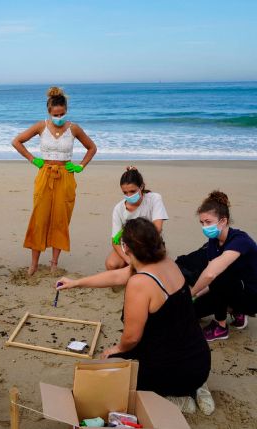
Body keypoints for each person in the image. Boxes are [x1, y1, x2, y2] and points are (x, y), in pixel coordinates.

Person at [56, 218, 212, 413]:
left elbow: (131, 338)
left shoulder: (140, 282)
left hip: (175, 370)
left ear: (126, 248)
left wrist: (116, 350)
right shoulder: (167, 262)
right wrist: (76, 282)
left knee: (111, 380)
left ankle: (178, 400)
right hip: (200, 361)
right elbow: (116, 276)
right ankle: (197, 389)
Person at [12, 87, 97, 275]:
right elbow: (17, 141)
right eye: (56, 114)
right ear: (49, 112)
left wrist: (80, 166)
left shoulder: (73, 128)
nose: (59, 117)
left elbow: (92, 148)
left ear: (66, 111)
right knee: (39, 217)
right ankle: (34, 263)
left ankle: (54, 263)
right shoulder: (41, 126)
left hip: (66, 176)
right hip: (45, 174)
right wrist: (33, 159)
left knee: (61, 219)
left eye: (63, 113)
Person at [179, 191, 257, 342]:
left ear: (223, 221)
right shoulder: (213, 242)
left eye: (208, 222)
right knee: (191, 311)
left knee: (219, 273)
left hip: (252, 295)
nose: (204, 227)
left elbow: (211, 274)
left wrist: (191, 293)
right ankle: (236, 311)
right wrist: (194, 297)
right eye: (202, 223)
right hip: (233, 289)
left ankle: (220, 327)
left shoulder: (240, 240)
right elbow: (211, 283)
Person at [106, 167, 168, 270]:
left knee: (150, 268)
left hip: (150, 242)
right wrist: (128, 259)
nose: (129, 196)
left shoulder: (154, 199)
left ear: (142, 186)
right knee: (112, 264)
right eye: (125, 193)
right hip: (128, 245)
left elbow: (157, 229)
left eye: (132, 191)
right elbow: (114, 241)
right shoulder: (119, 208)